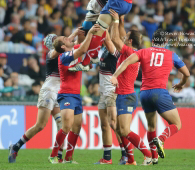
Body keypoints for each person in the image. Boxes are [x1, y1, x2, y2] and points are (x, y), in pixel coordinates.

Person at [110, 28, 190, 162]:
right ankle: (161, 139)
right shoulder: (171, 54)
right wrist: (181, 83)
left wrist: (115, 76)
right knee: (177, 124)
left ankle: (153, 158)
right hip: (160, 92)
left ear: (152, 41)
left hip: (145, 93)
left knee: (151, 126)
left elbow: (126, 62)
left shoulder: (143, 51)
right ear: (165, 42)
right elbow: (186, 73)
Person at [8, 28, 83, 163]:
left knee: (62, 125)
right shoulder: (52, 53)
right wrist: (74, 35)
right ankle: (16, 146)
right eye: (59, 39)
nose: (64, 38)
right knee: (40, 125)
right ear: (54, 44)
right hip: (49, 90)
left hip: (60, 91)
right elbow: (60, 49)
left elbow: (73, 46)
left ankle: (58, 157)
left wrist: (79, 34)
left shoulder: (66, 52)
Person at [48, 24, 100, 164]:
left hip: (76, 96)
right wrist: (89, 34)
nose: (68, 38)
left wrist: (90, 33)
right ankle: (53, 155)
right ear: (63, 47)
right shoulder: (63, 57)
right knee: (67, 126)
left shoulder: (74, 50)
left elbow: (84, 46)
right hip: (66, 95)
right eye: (65, 38)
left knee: (76, 128)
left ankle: (68, 158)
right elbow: (83, 48)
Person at [109, 9, 152, 165]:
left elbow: (114, 37)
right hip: (123, 95)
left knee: (125, 130)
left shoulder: (130, 53)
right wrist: (120, 21)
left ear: (130, 42)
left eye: (126, 37)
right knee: (120, 130)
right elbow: (120, 35)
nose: (123, 37)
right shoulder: (129, 52)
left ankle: (148, 155)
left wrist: (114, 21)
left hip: (127, 96)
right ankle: (131, 160)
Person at [94, 25, 128, 165]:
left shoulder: (115, 52)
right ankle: (107, 158)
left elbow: (109, 38)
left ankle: (126, 153)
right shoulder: (105, 51)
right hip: (103, 93)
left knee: (114, 124)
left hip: (112, 91)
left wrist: (103, 24)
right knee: (104, 125)